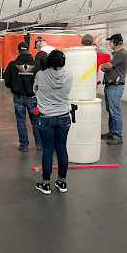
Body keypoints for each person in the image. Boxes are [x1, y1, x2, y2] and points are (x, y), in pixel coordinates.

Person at [34, 50, 73, 194]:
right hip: (63, 116)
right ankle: (62, 182)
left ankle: (45, 184)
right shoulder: (69, 76)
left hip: (45, 118)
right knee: (62, 149)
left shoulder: (40, 75)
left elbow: (35, 90)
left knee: (48, 150)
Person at [5, 42, 42, 151]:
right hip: (33, 98)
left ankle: (24, 146)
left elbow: (7, 82)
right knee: (36, 122)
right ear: (28, 50)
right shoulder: (36, 65)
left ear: (18, 51)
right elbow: (40, 81)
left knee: (21, 122)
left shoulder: (12, 65)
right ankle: (39, 144)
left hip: (18, 98)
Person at [100, 33, 127, 145]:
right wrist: (104, 66)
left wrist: (103, 66)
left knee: (115, 111)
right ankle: (112, 133)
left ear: (116, 42)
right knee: (110, 111)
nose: (110, 43)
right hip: (110, 86)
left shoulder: (121, 54)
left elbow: (107, 66)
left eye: (111, 41)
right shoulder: (115, 53)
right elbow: (105, 65)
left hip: (115, 87)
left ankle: (117, 136)